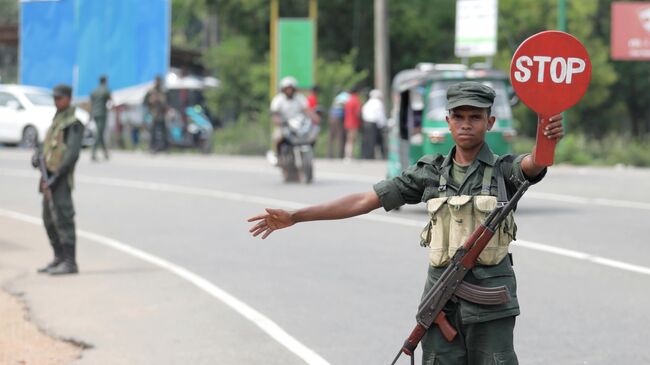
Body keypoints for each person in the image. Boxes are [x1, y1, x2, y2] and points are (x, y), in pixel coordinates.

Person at [248, 82, 565, 364]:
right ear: (448, 121)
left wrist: (546, 134)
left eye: (475, 117)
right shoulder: (430, 172)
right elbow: (364, 200)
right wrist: (297, 216)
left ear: (490, 122)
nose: (466, 124)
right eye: (459, 116)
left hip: (491, 305)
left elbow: (535, 162)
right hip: (442, 300)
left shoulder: (503, 170)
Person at [31, 84, 84, 275]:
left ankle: (70, 262)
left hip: (60, 178)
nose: (56, 101)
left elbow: (71, 155)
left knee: (64, 218)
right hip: (48, 177)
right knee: (48, 219)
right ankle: (58, 257)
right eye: (54, 98)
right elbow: (49, 147)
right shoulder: (57, 120)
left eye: (59, 98)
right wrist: (38, 159)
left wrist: (57, 176)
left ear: (68, 98)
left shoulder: (73, 123)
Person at [268, 76, 318, 164]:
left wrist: (315, 117)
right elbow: (274, 113)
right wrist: (277, 121)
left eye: (291, 89)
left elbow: (307, 110)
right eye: (287, 89)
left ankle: (309, 155)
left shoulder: (300, 98)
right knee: (278, 137)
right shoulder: (278, 99)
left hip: (298, 125)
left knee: (312, 135)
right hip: (284, 124)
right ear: (283, 89)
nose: (289, 91)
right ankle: (278, 156)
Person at [143, 75, 168, 152]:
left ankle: (163, 147)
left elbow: (166, 102)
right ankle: (152, 146)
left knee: (163, 131)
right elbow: (145, 102)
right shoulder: (151, 91)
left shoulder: (162, 91)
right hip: (153, 114)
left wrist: (161, 100)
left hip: (161, 114)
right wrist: (151, 100)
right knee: (153, 131)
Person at [90, 75, 112, 161]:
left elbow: (91, 101)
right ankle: (93, 152)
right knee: (99, 133)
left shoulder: (94, 91)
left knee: (100, 132)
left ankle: (105, 153)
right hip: (102, 114)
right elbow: (110, 100)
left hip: (94, 113)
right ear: (105, 81)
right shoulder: (105, 90)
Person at [361, 89, 387, 159]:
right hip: (373, 123)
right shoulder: (378, 103)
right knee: (373, 140)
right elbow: (380, 115)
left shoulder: (368, 102)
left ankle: (366, 156)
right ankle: (375, 156)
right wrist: (383, 125)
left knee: (367, 140)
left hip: (366, 123)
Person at [328, 90, 349, 159]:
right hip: (340, 117)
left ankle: (330, 154)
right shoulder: (346, 96)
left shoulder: (337, 98)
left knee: (331, 137)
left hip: (332, 116)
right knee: (340, 136)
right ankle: (340, 155)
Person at [343, 86, 362, 161]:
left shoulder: (348, 100)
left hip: (347, 122)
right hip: (354, 122)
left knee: (348, 139)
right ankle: (350, 155)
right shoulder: (356, 100)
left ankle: (348, 155)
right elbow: (358, 112)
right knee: (352, 140)